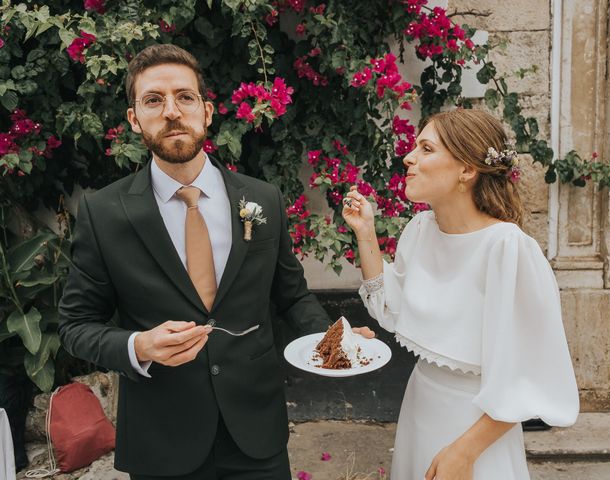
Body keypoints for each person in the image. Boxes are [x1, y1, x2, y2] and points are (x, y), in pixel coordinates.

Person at [58, 44, 372, 479]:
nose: (171, 111)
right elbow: (75, 325)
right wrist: (139, 347)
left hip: (256, 433)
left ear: (207, 112)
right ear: (134, 119)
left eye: (184, 97)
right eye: (153, 99)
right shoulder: (104, 212)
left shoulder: (262, 199)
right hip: (162, 437)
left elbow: (291, 296)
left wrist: (334, 339)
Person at [342, 109, 579, 480]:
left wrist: (464, 453)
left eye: (426, 148)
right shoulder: (420, 229)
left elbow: (531, 375)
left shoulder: (508, 249)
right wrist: (365, 232)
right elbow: (389, 309)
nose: (409, 157)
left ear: (467, 170)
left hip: (475, 434)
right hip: (420, 407)